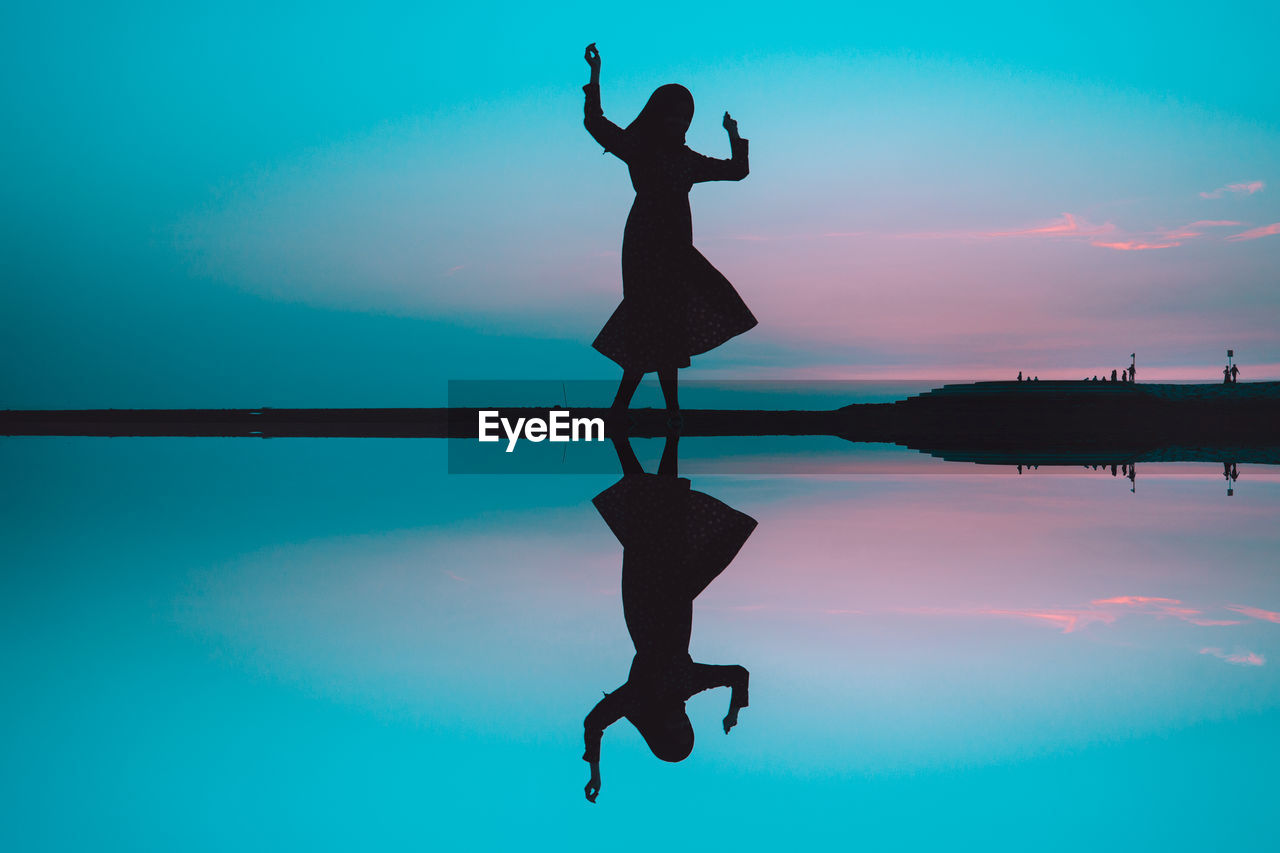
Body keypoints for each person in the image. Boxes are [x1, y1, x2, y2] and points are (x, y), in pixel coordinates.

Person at [582, 43, 757, 425]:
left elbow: (737, 171)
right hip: (645, 244)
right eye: (672, 116)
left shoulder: (688, 159)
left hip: (678, 248)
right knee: (647, 320)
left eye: (685, 117)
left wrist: (733, 133)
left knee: (673, 323)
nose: (678, 123)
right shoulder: (640, 149)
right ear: (658, 116)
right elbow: (596, 123)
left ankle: (662, 410)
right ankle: (637, 410)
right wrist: (595, 76)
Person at [583, 432, 755, 803]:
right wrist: (733, 713)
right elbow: (739, 674)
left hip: (647, 598)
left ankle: (628, 437)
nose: (681, 721)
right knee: (663, 510)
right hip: (673, 592)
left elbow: (594, 723)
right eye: (686, 728)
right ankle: (653, 435)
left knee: (647, 515)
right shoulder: (685, 685)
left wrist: (595, 771)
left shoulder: (642, 697)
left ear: (660, 731)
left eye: (675, 730)